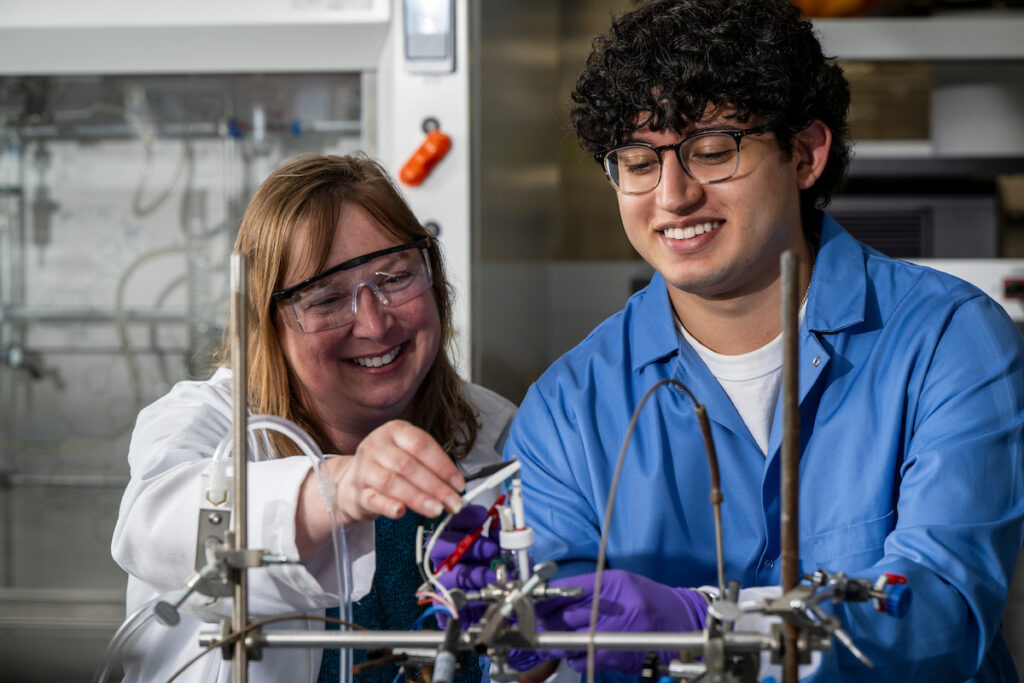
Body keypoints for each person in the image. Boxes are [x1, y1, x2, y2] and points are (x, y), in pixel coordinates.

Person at [440, 1, 1024, 681]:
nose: (673, 194)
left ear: (805, 153)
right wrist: (503, 626)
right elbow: (535, 647)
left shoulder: (947, 343)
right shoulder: (569, 408)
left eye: (712, 151)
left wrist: (703, 623)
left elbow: (940, 618)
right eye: (638, 161)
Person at [110, 153, 516, 683]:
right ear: (266, 324)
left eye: (394, 278)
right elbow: (155, 530)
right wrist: (338, 489)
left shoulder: (493, 426)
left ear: (433, 278)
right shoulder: (207, 423)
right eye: (325, 300)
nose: (374, 322)